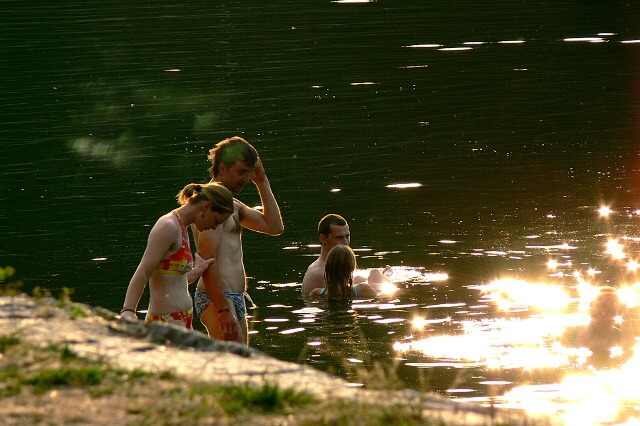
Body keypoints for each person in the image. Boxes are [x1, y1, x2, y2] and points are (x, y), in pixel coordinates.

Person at [194, 136, 284, 345]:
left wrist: (262, 181)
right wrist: (223, 309)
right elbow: (207, 260)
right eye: (241, 171)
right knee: (235, 358)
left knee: (240, 357)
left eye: (249, 172)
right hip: (217, 298)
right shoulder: (210, 202)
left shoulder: (232, 205)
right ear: (222, 168)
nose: (246, 178)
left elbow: (275, 227)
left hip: (235, 296)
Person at [120, 183, 234, 329]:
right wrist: (128, 310)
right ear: (206, 207)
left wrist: (198, 270)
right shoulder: (168, 226)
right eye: (216, 221)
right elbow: (144, 271)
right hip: (165, 322)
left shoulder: (182, 227)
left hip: (183, 319)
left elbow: (174, 282)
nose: (214, 227)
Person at [562, 286, 635, 366]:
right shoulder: (573, 332)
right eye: (598, 308)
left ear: (616, 314)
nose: (603, 314)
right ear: (590, 308)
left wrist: (625, 314)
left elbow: (630, 349)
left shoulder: (617, 335)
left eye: (609, 310)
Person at [301, 214, 351, 295]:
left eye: (347, 236)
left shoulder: (337, 267)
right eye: (339, 237)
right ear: (323, 239)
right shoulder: (320, 274)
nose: (346, 242)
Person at [309, 245, 377, 300]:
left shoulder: (316, 293)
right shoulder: (363, 289)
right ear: (352, 268)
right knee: (375, 273)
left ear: (328, 267)